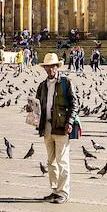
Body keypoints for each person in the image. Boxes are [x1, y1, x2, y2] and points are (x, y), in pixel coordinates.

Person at [33, 53, 77, 204]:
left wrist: (70, 122)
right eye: (47, 66)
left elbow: (74, 104)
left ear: (57, 67)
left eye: (52, 66)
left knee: (62, 161)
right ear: (44, 68)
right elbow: (37, 105)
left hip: (61, 126)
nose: (50, 69)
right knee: (51, 161)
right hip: (47, 127)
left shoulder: (66, 83)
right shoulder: (42, 85)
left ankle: (63, 192)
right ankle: (54, 190)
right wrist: (31, 110)